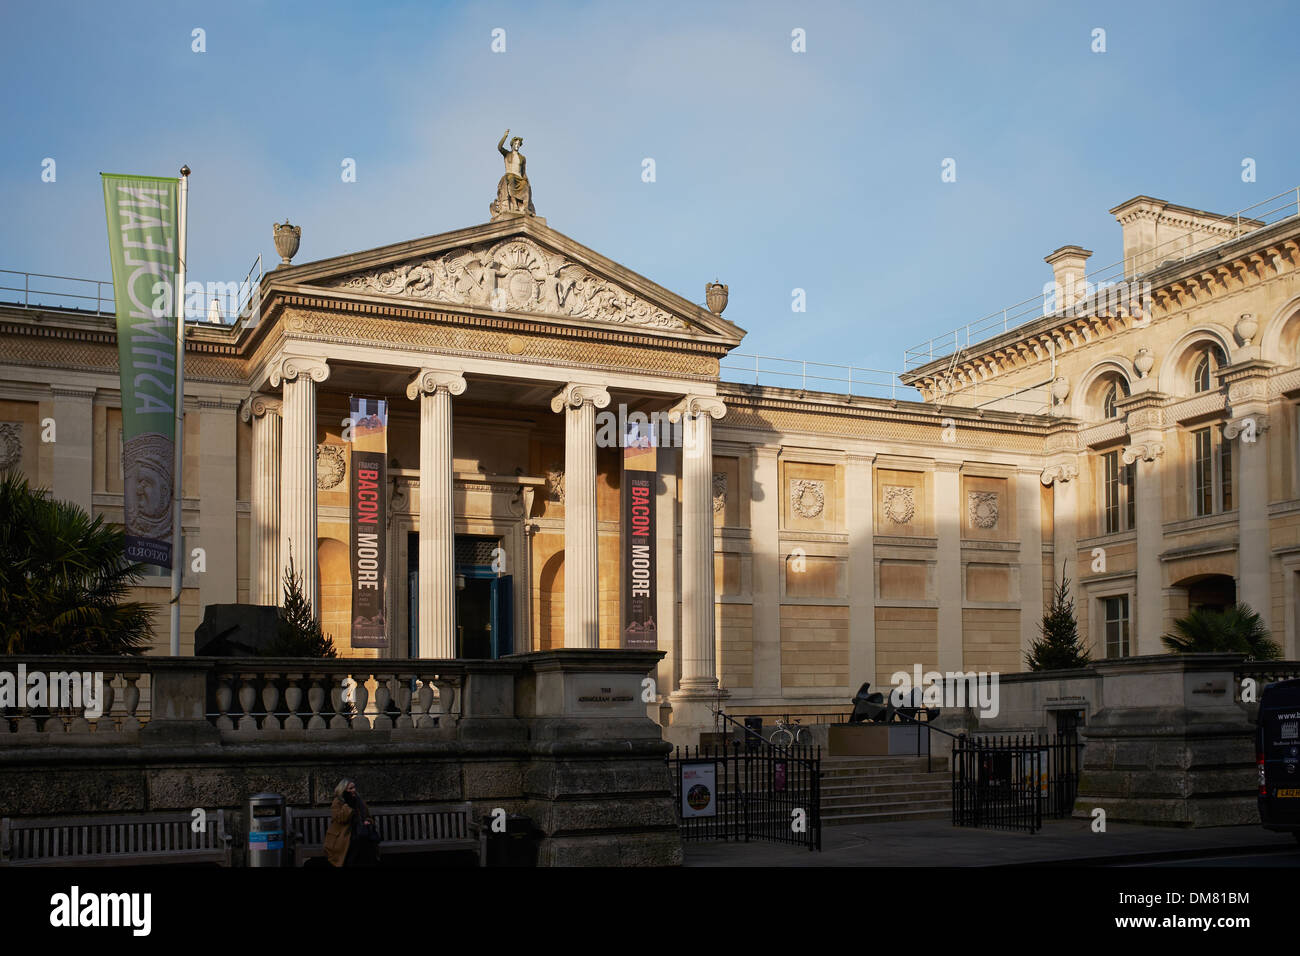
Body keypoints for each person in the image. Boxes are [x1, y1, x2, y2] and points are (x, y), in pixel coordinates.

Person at [323, 779, 379, 867]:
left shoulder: (359, 800)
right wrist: (348, 805)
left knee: (365, 842)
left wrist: (367, 821)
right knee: (355, 843)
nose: (354, 790)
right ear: (343, 790)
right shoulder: (338, 802)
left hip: (360, 831)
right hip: (343, 835)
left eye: (354, 787)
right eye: (350, 788)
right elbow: (341, 819)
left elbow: (368, 816)